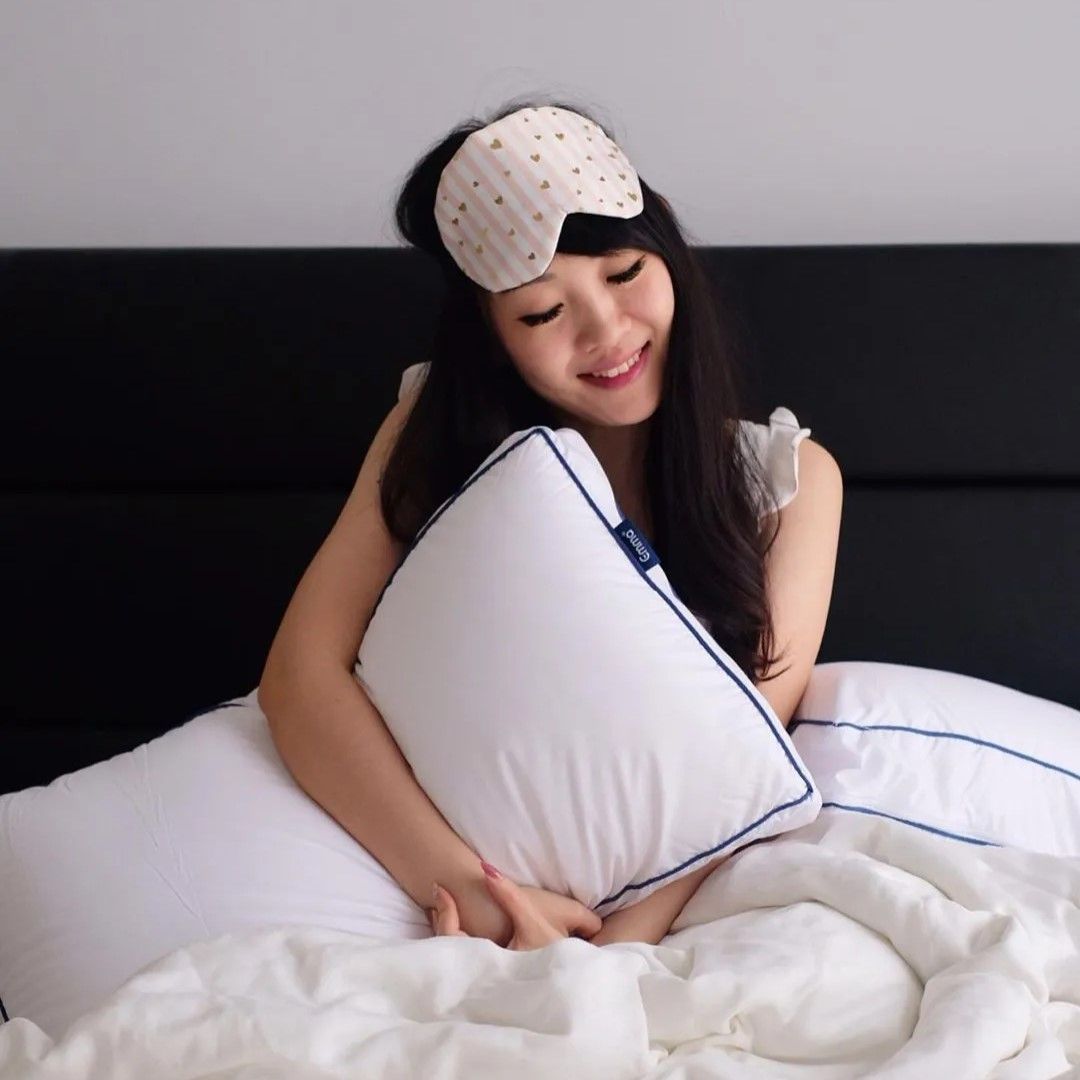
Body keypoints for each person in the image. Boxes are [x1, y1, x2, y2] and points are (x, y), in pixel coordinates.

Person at [257, 97, 843, 953]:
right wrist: (476, 894)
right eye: (541, 313)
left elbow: (742, 764)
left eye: (624, 273)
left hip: (655, 916)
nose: (606, 331)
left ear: (668, 253)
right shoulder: (431, 432)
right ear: (493, 337)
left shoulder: (788, 483)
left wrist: (603, 955)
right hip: (446, 891)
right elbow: (299, 677)